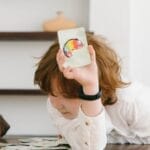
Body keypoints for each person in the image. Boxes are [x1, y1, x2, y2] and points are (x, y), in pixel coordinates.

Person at [34, 34, 150, 150]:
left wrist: (90, 89)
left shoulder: (133, 102)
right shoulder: (55, 106)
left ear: (101, 87)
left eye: (67, 96)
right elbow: (89, 148)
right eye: (52, 92)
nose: (57, 104)